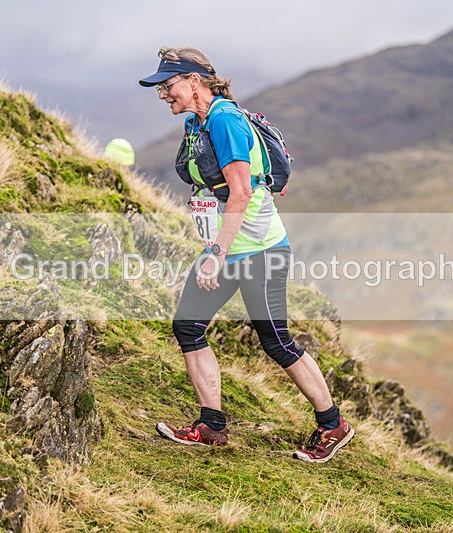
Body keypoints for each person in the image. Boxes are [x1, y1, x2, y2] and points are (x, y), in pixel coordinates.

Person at [138, 47, 354, 463]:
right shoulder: (197, 123)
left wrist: (216, 254)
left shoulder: (225, 121)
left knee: (276, 341)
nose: (163, 94)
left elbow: (241, 193)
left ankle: (333, 425)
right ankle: (211, 426)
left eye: (168, 85)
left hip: (260, 251)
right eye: (161, 88)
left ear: (195, 81)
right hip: (227, 247)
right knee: (188, 326)